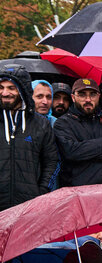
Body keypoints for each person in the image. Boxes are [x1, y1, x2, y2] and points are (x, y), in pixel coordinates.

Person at [0, 67, 59, 210]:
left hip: (28, 208)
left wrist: (41, 193)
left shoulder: (41, 124)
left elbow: (52, 162)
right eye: (1, 87)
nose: (5, 93)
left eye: (12, 88)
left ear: (23, 90)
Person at [54, 78, 102, 186]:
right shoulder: (63, 123)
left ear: (99, 96)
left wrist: (86, 154)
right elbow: (71, 152)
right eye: (82, 94)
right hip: (78, 191)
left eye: (92, 94)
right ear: (73, 97)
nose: (88, 99)